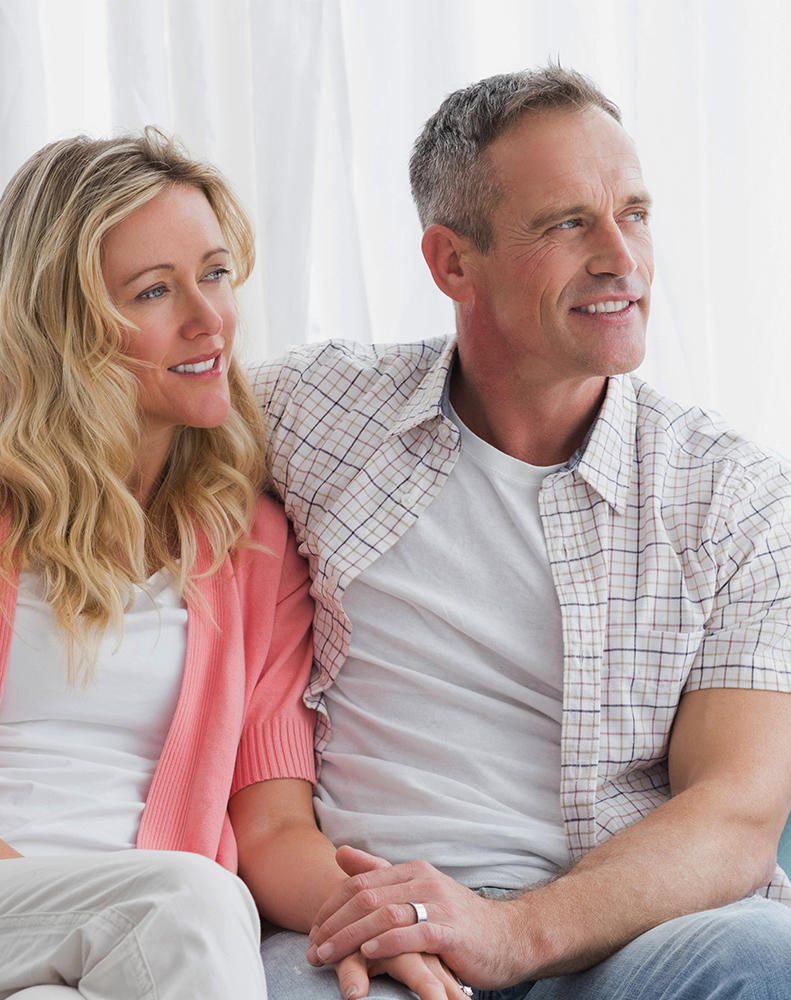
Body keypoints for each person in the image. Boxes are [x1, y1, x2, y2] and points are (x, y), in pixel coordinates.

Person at [251, 66, 791, 999]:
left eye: (634, 214)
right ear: (452, 264)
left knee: (762, 958)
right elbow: (92, 443)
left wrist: (512, 932)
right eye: (568, 223)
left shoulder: (736, 497)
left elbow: (734, 818)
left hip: (615, 936)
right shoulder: (312, 414)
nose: (621, 259)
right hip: (371, 927)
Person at [0, 131, 461, 1000]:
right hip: (92, 913)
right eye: (154, 290)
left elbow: (273, 827)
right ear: (64, 326)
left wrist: (375, 920)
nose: (208, 318)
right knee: (194, 897)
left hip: (130, 957)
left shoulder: (251, 548)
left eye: (214, 274)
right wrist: (85, 911)